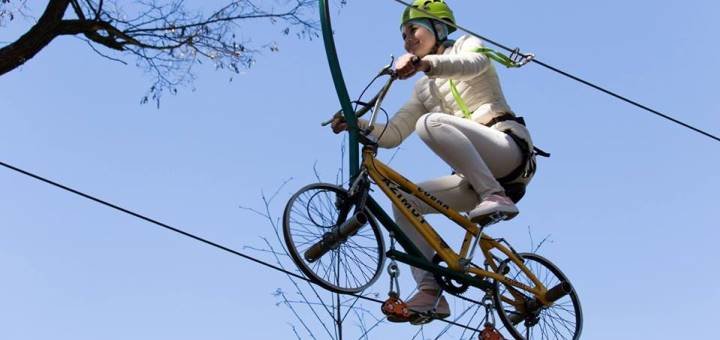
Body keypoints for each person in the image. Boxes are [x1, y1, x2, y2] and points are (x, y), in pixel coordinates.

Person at [330, 0, 536, 323]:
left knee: (430, 123)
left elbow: (474, 63)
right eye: (403, 35)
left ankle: (493, 195)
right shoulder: (423, 89)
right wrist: (358, 125)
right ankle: (430, 291)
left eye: (413, 29)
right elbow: (395, 132)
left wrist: (427, 65)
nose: (407, 39)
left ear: (438, 28)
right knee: (404, 201)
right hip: (472, 177)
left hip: (506, 148)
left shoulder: (466, 45)